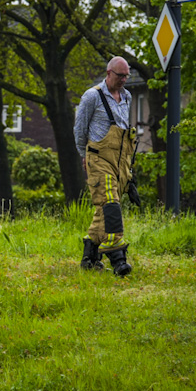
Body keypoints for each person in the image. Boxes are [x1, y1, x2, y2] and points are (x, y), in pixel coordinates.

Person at [74, 57, 137, 276]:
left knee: (104, 206)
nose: (124, 80)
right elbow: (79, 128)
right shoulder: (93, 96)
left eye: (126, 76)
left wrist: (128, 169)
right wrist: (84, 155)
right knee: (110, 203)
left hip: (120, 160)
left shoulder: (127, 96)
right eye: (120, 76)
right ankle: (118, 259)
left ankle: (89, 258)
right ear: (108, 73)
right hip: (98, 158)